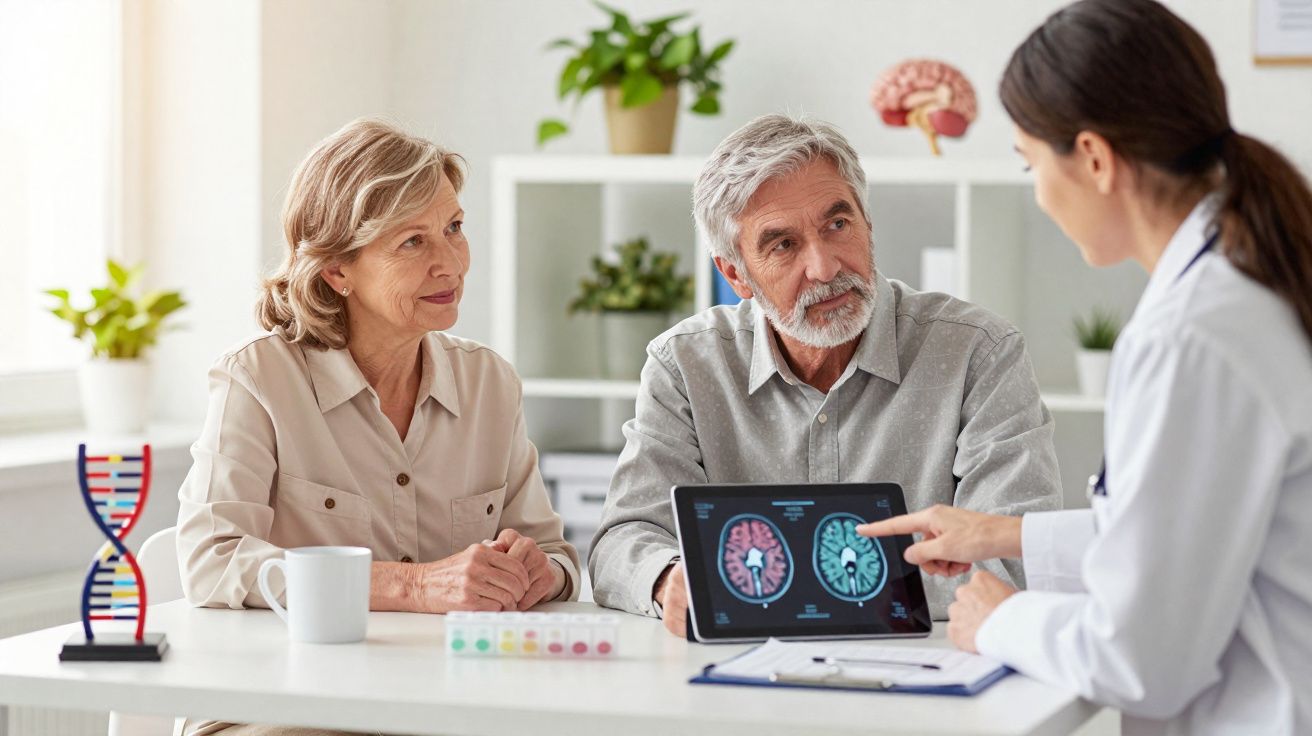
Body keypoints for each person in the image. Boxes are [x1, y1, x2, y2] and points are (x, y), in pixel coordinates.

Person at [859, 1, 1312, 732]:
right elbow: (1185, 529)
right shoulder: (1256, 281)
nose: (1038, 194)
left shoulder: (1189, 338)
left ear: (1096, 159)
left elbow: (1141, 659)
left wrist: (1002, 618)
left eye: (1031, 163)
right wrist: (1003, 536)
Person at [176, 119, 580, 735]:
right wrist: (416, 586)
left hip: (446, 706)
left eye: (453, 228)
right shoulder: (256, 379)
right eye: (412, 242)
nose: (450, 262)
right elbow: (213, 560)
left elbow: (552, 555)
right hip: (281, 709)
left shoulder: (490, 384)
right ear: (338, 270)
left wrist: (535, 572)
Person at [589, 113, 1063, 637]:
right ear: (734, 274)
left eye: (837, 225)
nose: (825, 267)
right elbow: (623, 541)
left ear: (867, 222)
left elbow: (1014, 559)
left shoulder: (979, 352)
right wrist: (670, 580)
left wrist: (765, 591)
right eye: (783, 245)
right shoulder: (685, 364)